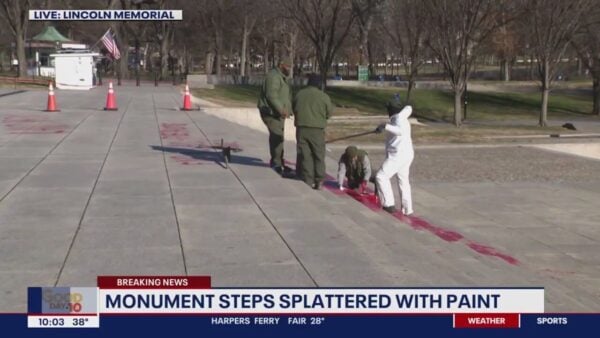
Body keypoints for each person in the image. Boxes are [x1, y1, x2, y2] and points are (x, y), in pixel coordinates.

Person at [375, 93, 414, 215]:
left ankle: (389, 204)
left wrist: (385, 126)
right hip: (406, 154)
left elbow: (399, 131)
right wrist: (384, 127)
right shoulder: (402, 116)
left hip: (398, 155)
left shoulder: (398, 118)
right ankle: (408, 209)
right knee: (403, 181)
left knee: (381, 176)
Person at [292, 74, 333, 189]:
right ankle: (319, 180)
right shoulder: (323, 96)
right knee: (319, 155)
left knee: (305, 155)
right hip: (317, 129)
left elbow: (293, 108)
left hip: (302, 129)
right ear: (319, 84)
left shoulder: (299, 94)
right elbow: (329, 113)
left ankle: (307, 179)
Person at [257, 61, 293, 175]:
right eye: (288, 66)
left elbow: (284, 96)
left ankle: (279, 162)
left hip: (277, 113)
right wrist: (281, 110)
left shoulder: (280, 77)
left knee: (278, 137)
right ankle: (276, 163)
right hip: (272, 113)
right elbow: (271, 95)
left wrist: (289, 109)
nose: (290, 69)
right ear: (281, 65)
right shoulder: (274, 77)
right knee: (277, 138)